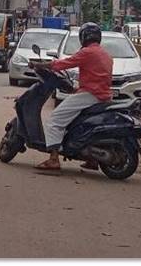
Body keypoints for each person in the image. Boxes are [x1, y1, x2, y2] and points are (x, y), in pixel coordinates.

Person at [34, 22, 112, 171]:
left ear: (83, 37)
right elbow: (97, 77)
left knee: (55, 120)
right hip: (103, 95)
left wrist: (41, 65)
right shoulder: (105, 53)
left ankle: (53, 158)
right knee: (78, 122)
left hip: (91, 94)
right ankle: (92, 159)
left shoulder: (87, 52)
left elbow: (65, 63)